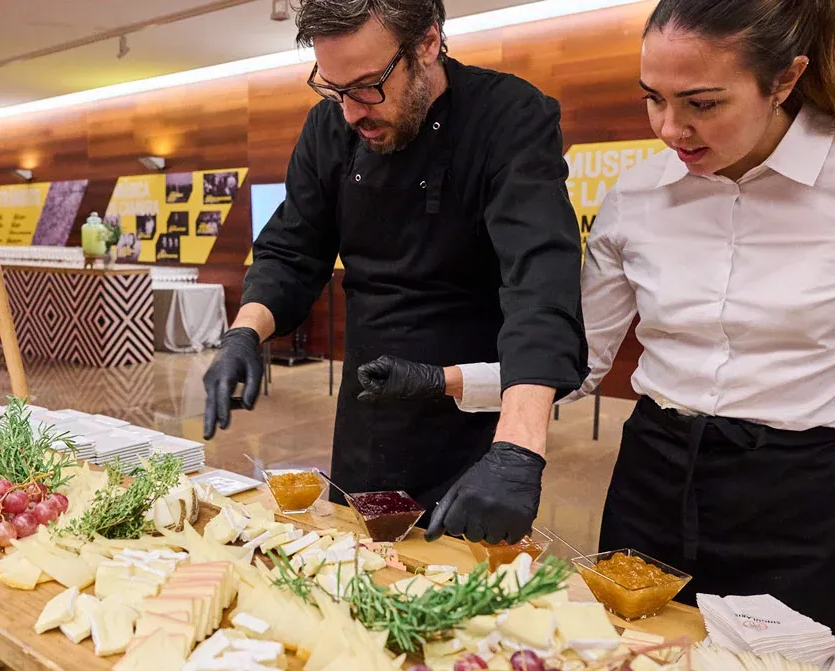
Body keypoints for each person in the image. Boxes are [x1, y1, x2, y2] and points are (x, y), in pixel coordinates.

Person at [358, 0, 835, 639]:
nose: (669, 128)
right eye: (652, 99)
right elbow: (579, 362)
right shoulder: (637, 196)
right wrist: (437, 380)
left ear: (785, 78)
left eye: (702, 103)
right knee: (628, 649)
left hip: (802, 496)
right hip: (653, 480)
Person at [201, 0, 588, 542]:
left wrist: (518, 449)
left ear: (427, 43)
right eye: (335, 91)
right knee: (357, 563)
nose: (352, 113)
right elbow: (292, 248)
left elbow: (540, 279)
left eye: (366, 86)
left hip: (474, 417)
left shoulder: (507, 117)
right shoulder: (329, 130)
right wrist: (245, 332)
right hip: (368, 408)